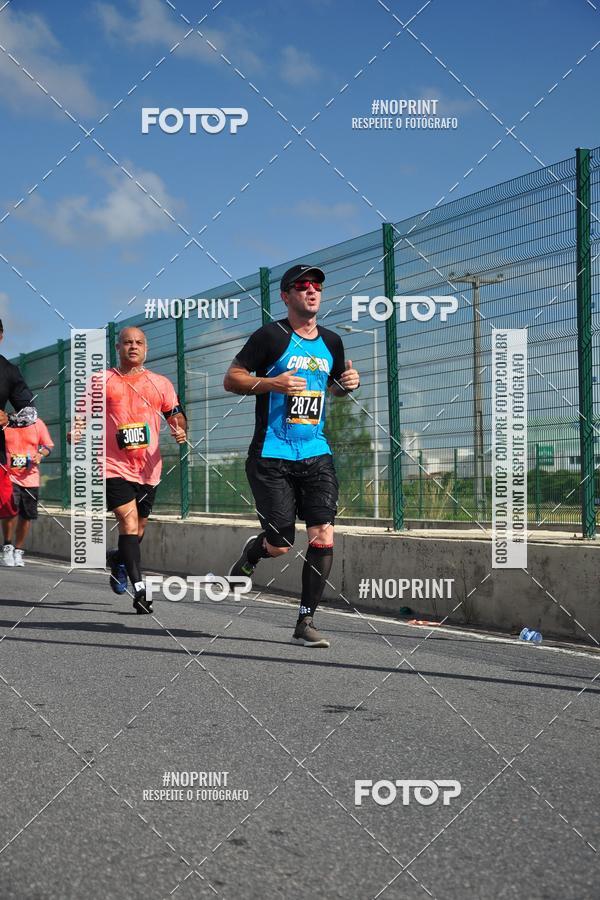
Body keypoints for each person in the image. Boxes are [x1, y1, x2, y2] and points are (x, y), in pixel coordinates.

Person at [224, 264, 360, 648]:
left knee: (322, 534)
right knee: (281, 543)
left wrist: (347, 385)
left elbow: (333, 387)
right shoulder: (271, 336)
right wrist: (271, 383)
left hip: (316, 452)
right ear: (286, 296)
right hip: (272, 454)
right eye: (302, 286)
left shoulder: (332, 341)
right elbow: (231, 378)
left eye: (317, 285)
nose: (312, 290)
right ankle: (254, 552)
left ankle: (305, 621)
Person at [69, 326, 187, 614]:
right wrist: (78, 430)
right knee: (129, 522)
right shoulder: (102, 380)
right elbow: (83, 413)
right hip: (112, 465)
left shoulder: (160, 383)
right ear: (118, 348)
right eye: (127, 342)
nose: (133, 346)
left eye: (138, 343)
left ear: (146, 348)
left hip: (149, 468)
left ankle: (118, 559)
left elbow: (175, 414)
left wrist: (179, 429)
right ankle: (141, 591)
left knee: (139, 528)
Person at [0, 317, 37, 544]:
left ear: (1, 336)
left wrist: (8, 418)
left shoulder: (9, 371)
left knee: (6, 504)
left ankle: (9, 546)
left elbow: (30, 412)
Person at [2, 416, 53, 566]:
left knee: (26, 515)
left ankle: (18, 550)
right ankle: (7, 546)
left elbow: (48, 446)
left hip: (30, 477)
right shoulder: (5, 422)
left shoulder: (37, 423)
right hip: (9, 476)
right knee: (10, 511)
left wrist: (40, 454)